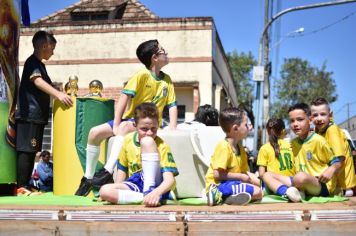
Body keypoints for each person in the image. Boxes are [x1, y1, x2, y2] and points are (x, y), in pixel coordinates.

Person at [75, 40, 178, 196]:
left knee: (124, 128)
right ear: (154, 57)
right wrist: (116, 124)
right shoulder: (142, 75)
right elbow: (124, 97)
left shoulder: (167, 80)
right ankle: (88, 178)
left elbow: (172, 105)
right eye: (163, 51)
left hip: (146, 122)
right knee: (94, 133)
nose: (167, 53)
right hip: (131, 119)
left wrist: (173, 127)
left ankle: (107, 171)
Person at [15, 31, 73, 196]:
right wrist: (58, 94)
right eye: (52, 48)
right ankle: (21, 186)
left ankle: (26, 184)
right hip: (29, 115)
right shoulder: (32, 62)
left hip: (37, 115)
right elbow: (37, 81)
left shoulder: (40, 64)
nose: (53, 52)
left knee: (32, 150)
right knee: (26, 150)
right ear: (43, 46)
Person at [99, 103, 179, 206]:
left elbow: (169, 180)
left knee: (147, 142)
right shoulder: (127, 140)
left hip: (157, 185)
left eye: (153, 128)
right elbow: (122, 171)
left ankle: (150, 191)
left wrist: (156, 192)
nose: (149, 133)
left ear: (158, 124)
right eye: (144, 129)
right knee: (104, 191)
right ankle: (146, 198)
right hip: (136, 183)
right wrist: (113, 193)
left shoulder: (162, 146)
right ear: (135, 125)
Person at [205, 107, 262, 206]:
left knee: (260, 191)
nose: (250, 126)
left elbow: (245, 173)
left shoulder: (240, 148)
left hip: (232, 184)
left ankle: (228, 199)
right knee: (257, 192)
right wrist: (240, 176)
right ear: (235, 128)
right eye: (246, 124)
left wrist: (261, 183)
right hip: (218, 185)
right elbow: (217, 175)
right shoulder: (223, 146)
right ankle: (217, 194)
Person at [288, 103, 342, 197]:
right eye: (292, 121)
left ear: (310, 120)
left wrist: (331, 169)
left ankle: (291, 192)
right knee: (268, 176)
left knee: (299, 177)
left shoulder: (319, 140)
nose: (295, 124)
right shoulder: (293, 143)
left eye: (300, 119)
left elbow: (337, 163)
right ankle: (293, 192)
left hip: (321, 185)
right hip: (300, 181)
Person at [310, 98, 356, 197]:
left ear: (330, 115)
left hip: (343, 187)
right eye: (315, 115)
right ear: (311, 118)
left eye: (323, 114)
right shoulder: (320, 132)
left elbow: (340, 158)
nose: (319, 118)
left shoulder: (332, 130)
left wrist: (331, 169)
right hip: (337, 185)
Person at [257, 118, 301, 202]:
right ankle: (295, 192)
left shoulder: (264, 148)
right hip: (292, 181)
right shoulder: (291, 145)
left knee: (264, 177)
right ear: (283, 131)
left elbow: (261, 174)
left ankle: (285, 192)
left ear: (267, 131)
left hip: (275, 184)